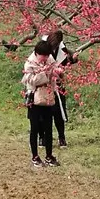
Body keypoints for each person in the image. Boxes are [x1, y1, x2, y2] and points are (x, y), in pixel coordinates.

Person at [22, 39, 59, 167]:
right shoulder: (29, 63)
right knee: (35, 128)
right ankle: (35, 156)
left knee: (49, 127)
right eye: (44, 56)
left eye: (48, 55)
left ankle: (49, 155)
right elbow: (29, 80)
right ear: (37, 53)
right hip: (35, 98)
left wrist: (56, 73)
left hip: (48, 97)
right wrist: (44, 73)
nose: (46, 58)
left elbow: (55, 71)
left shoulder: (49, 59)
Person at [45, 29, 76, 148]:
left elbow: (69, 60)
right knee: (44, 111)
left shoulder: (63, 49)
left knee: (59, 110)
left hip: (59, 83)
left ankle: (61, 137)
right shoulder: (43, 46)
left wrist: (73, 59)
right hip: (45, 83)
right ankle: (43, 137)